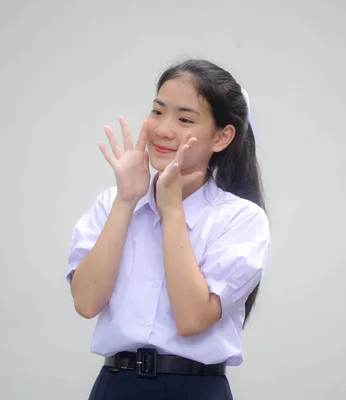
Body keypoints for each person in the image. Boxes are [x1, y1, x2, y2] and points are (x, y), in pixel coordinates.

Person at [66, 59, 271, 400]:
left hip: (194, 389)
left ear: (222, 136)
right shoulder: (113, 202)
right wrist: (126, 201)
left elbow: (192, 319)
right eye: (157, 111)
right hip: (116, 385)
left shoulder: (240, 219)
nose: (163, 129)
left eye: (185, 119)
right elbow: (86, 302)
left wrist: (172, 209)